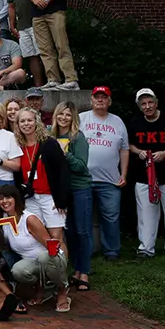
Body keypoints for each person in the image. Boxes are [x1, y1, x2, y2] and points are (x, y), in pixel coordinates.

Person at [0, 184, 70, 312]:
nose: (4, 201)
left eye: (8, 197)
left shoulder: (29, 219)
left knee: (43, 257)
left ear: (16, 199)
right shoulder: (4, 219)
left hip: (52, 257)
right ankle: (43, 288)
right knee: (18, 270)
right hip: (32, 262)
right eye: (1, 198)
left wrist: (61, 259)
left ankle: (63, 290)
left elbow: (50, 245)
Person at [126, 88, 165, 261]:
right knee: (146, 213)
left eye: (150, 102)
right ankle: (146, 248)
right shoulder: (135, 122)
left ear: (156, 103)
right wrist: (139, 151)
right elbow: (129, 144)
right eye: (143, 103)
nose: (147, 106)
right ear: (139, 106)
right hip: (143, 175)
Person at [79, 86, 128, 261]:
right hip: (83, 179)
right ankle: (87, 251)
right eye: (97, 97)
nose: (100, 100)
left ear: (109, 101)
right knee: (83, 218)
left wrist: (124, 174)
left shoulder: (118, 121)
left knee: (111, 217)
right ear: (91, 100)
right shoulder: (81, 118)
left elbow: (124, 149)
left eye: (104, 97)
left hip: (110, 180)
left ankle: (112, 251)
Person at [50, 101, 93, 290]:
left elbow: (82, 167)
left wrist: (65, 154)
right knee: (71, 232)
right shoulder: (51, 136)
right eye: (61, 114)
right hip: (62, 190)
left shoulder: (78, 137)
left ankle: (84, 272)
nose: (63, 118)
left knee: (83, 231)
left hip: (80, 188)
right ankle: (75, 269)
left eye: (68, 115)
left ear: (73, 118)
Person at [12, 108, 69, 245]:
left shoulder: (49, 143)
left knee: (56, 237)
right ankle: (47, 266)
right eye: (22, 121)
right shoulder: (17, 146)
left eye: (30, 120)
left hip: (50, 197)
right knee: (39, 238)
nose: (26, 124)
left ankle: (61, 266)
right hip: (31, 198)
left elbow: (62, 171)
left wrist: (61, 200)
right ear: (18, 125)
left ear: (36, 122)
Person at [6, 0, 45, 87]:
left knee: (45, 53)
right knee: (31, 56)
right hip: (22, 26)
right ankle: (39, 86)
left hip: (38, 21)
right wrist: (12, 25)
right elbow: (11, 6)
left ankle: (53, 82)